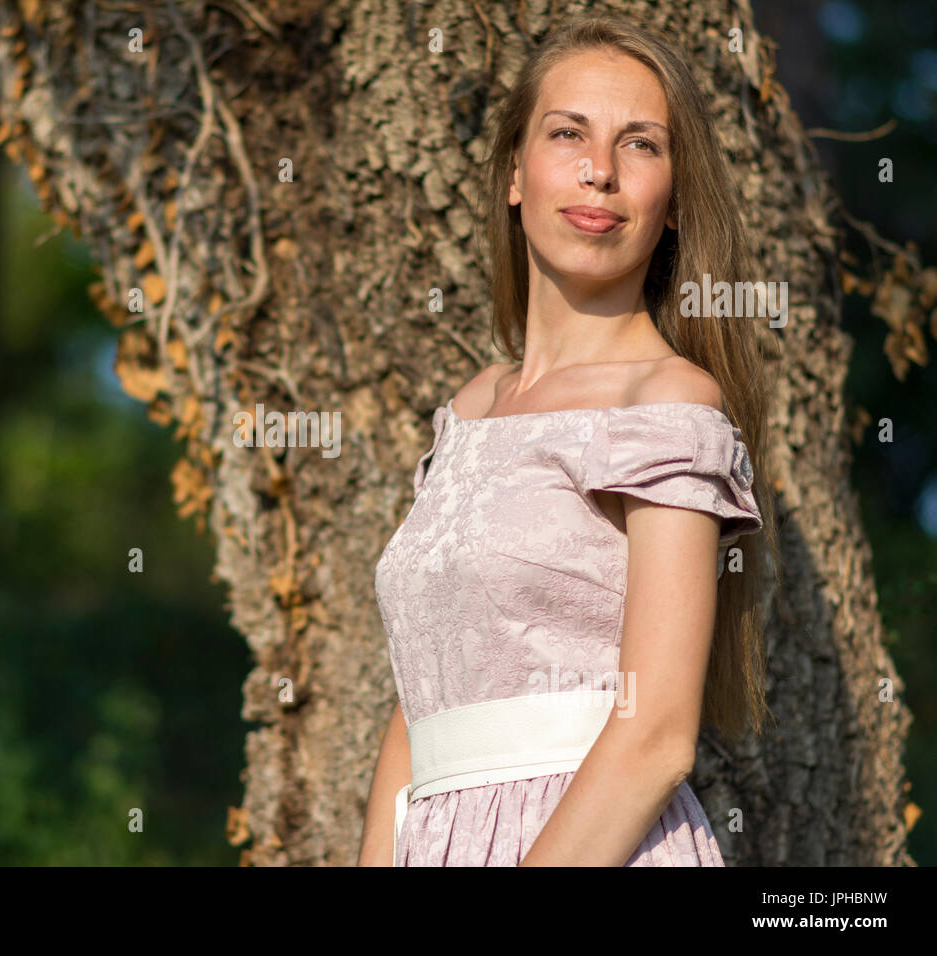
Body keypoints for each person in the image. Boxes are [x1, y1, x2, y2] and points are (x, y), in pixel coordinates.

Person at [359, 14, 780, 866]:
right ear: (515, 174)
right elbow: (425, 702)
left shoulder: (668, 404)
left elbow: (657, 737)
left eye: (641, 146)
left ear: (672, 205)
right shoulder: (470, 408)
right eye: (568, 134)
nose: (600, 172)